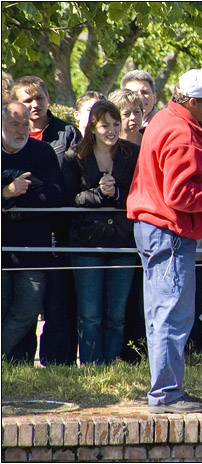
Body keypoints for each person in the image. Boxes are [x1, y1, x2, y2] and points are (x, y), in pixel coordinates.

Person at [127, 69, 202, 413]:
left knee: (159, 314)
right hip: (170, 230)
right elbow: (180, 195)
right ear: (193, 101)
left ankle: (165, 389)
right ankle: (165, 394)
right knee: (172, 316)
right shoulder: (181, 134)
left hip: (154, 226)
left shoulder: (165, 119)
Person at [11, 76, 82, 365]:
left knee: (57, 305)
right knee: (19, 305)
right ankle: (16, 362)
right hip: (19, 234)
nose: (35, 104)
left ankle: (58, 365)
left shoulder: (67, 133)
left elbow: (67, 186)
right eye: (27, 100)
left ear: (48, 98)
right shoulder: (7, 138)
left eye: (39, 97)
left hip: (60, 230)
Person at [62, 101, 139, 364]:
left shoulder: (132, 153)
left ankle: (113, 364)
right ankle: (93, 367)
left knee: (116, 314)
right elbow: (68, 198)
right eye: (105, 125)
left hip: (123, 243)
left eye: (116, 124)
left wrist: (116, 193)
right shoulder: (74, 156)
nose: (112, 130)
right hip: (86, 243)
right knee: (90, 314)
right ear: (93, 127)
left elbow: (141, 195)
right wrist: (98, 194)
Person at [1, 102, 64, 357]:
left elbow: (56, 195)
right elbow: (39, 193)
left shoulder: (43, 152)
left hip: (33, 249)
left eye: (25, 124)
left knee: (27, 312)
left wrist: (15, 202)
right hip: (3, 249)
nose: (21, 130)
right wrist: (7, 192)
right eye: (14, 124)